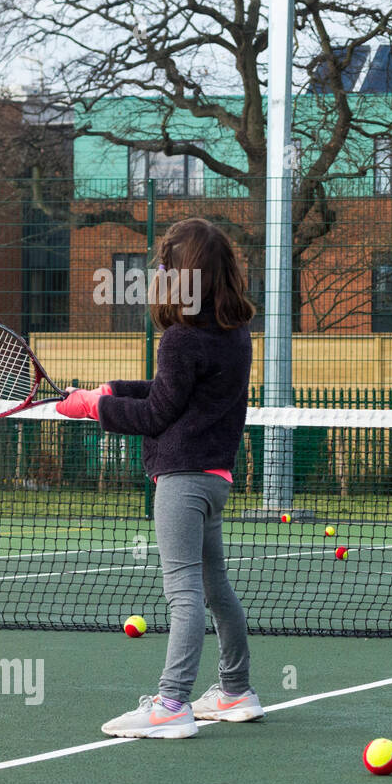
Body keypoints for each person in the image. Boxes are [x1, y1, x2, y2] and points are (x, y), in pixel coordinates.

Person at [57, 218, 262, 739]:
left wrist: (94, 408)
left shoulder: (178, 339)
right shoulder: (234, 336)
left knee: (184, 594)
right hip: (215, 480)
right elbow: (169, 391)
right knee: (216, 588)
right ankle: (236, 691)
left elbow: (154, 416)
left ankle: (172, 703)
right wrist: (112, 388)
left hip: (180, 480)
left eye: (165, 268)